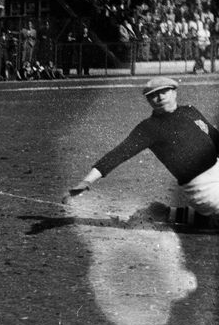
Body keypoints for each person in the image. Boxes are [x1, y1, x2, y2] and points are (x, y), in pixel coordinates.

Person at [68, 77, 219, 226]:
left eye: (164, 92)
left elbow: (215, 138)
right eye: (153, 95)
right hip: (202, 188)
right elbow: (119, 154)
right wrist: (87, 181)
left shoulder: (190, 111)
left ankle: (165, 213)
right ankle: (170, 214)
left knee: (214, 221)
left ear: (174, 93)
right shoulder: (149, 128)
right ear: (149, 101)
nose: (160, 98)